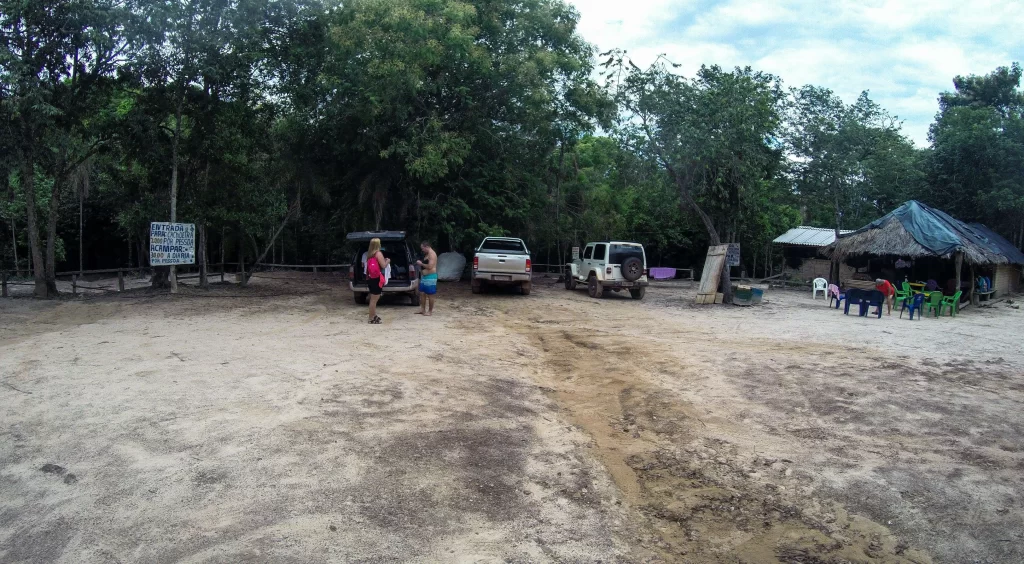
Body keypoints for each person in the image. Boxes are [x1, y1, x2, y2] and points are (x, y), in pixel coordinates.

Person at [366, 238, 389, 324]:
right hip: (377, 278)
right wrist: (387, 261)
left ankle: (373, 315)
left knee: (373, 299)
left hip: (371, 278)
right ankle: (371, 318)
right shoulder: (378, 254)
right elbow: (383, 265)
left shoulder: (369, 255)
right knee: (374, 300)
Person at [416, 241, 438, 316]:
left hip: (430, 277)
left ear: (427, 247)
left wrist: (421, 264)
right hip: (424, 277)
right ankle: (422, 309)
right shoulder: (427, 254)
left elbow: (430, 267)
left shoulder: (432, 254)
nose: (422, 250)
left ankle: (430, 311)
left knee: (430, 294)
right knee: (422, 293)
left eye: (423, 248)